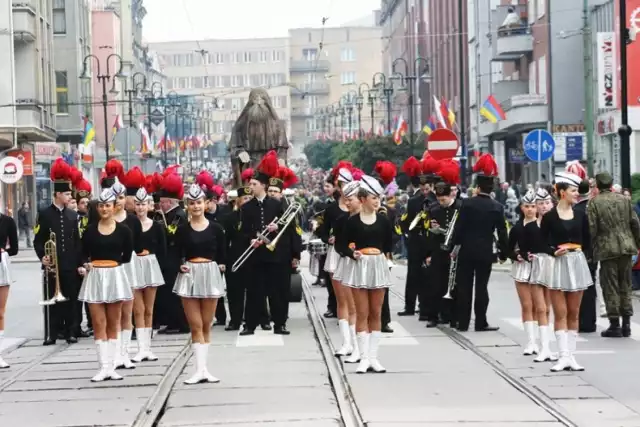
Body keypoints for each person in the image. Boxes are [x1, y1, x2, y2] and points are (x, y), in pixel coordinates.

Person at [338, 175, 393, 374]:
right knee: (362, 312)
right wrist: (353, 253)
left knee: (376, 313)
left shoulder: (384, 220)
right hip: (359, 267)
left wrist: (381, 258)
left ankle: (373, 357)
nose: (377, 200)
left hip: (377, 266)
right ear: (363, 199)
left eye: (378, 197)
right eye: (372, 197)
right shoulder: (352, 222)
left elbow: (389, 243)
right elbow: (341, 244)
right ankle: (363, 357)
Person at [78, 188, 134, 382]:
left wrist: (112, 265)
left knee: (114, 321)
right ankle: (103, 366)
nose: (104, 209)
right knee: (98, 322)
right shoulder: (90, 230)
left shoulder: (124, 231)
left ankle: (112, 365)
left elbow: (126, 256)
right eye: (101, 205)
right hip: (95, 276)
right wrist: (85, 263)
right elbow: (83, 252)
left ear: (114, 206)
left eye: (107, 205)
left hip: (115, 274)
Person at [173, 183, 226, 384]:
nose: (196, 206)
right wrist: (181, 265)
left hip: (210, 274)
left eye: (199, 203)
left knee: (206, 324)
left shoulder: (217, 229)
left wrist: (221, 265)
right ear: (187, 205)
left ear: (206, 204)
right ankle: (198, 369)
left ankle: (205, 369)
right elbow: (176, 254)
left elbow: (222, 253)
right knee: (195, 325)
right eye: (192, 203)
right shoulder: (182, 230)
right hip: (190, 276)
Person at [540, 171, 593, 372]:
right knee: (560, 312)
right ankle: (562, 356)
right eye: (573, 191)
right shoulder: (550, 217)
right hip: (558, 264)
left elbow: (587, 241)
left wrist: (580, 254)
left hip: (577, 262)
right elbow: (541, 242)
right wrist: (554, 251)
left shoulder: (581, 214)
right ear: (562, 192)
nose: (576, 194)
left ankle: (571, 356)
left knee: (574, 312)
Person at [452, 154, 508, 332]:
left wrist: (454, 245)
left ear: (477, 187)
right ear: (491, 188)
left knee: (464, 287)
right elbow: (502, 232)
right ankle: (481, 322)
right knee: (482, 287)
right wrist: (503, 252)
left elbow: (458, 228)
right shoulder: (497, 207)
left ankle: (462, 323)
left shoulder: (466, 204)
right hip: (485, 251)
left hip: (466, 251)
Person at [33, 158, 82, 345]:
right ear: (58, 194)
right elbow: (38, 241)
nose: (70, 197)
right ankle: (51, 334)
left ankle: (71, 331)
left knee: (70, 300)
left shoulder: (72, 215)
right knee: (52, 302)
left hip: (69, 265)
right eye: (67, 194)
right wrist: (42, 257)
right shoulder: (44, 214)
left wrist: (78, 263)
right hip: (52, 266)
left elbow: (77, 241)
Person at [237, 151, 285, 335]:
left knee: (276, 291)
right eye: (250, 183)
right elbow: (244, 231)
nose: (251, 186)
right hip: (255, 255)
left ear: (263, 185)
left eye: (254, 184)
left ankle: (279, 324)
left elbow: (284, 226)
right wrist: (250, 238)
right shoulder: (246, 207)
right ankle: (250, 324)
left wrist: (276, 228)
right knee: (254, 292)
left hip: (273, 255)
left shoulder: (276, 204)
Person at [588, 171, 640, 338]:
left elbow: (592, 228)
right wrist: (637, 244)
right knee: (625, 284)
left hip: (606, 249)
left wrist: (590, 249)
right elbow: (635, 223)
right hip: (626, 247)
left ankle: (614, 324)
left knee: (610, 285)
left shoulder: (594, 203)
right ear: (611, 184)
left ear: (597, 185)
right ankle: (627, 323)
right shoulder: (625, 200)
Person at [317, 161, 354, 349]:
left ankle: (358, 339)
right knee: (342, 300)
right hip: (337, 254)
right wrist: (328, 239)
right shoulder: (331, 209)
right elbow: (322, 232)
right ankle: (346, 341)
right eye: (342, 184)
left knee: (355, 299)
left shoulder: (358, 207)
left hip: (355, 255)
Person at [264, 165, 302, 335]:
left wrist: (296, 255)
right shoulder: (265, 207)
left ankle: (282, 322)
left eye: (275, 191)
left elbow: (296, 233)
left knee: (283, 290)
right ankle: (272, 317)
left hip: (285, 254)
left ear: (281, 192)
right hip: (268, 254)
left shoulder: (288, 208)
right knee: (271, 289)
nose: (272, 193)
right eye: (270, 190)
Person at [114, 167, 145, 370]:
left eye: (122, 197)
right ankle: (114, 352)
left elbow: (139, 245)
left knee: (127, 311)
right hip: (109, 267)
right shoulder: (102, 219)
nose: (118, 201)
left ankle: (124, 352)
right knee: (112, 312)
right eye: (115, 197)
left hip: (128, 265)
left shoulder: (133, 220)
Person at [424, 161, 461, 328]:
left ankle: (451, 315)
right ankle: (434, 315)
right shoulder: (434, 209)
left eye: (444, 199)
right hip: (438, 251)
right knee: (435, 285)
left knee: (453, 285)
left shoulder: (459, 208)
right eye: (439, 199)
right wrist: (429, 252)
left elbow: (460, 231)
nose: (441, 202)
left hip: (454, 251)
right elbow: (429, 233)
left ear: (451, 196)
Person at [131, 185, 166, 362]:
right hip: (134, 265)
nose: (140, 207)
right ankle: (140, 347)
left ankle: (148, 347)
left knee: (149, 309)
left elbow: (162, 250)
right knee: (138, 309)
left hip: (151, 265)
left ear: (149, 205)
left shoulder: (157, 226)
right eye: (137, 204)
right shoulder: (129, 225)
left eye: (143, 204)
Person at [154, 169, 189, 334]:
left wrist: (161, 226)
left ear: (169, 202)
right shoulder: (166, 214)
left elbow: (172, 235)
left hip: (174, 258)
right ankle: (172, 322)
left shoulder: (178, 215)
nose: (160, 205)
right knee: (167, 294)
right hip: (166, 259)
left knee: (175, 294)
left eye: (162, 202)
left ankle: (181, 323)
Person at [333, 179, 363, 363]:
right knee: (350, 306)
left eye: (351, 198)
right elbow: (339, 245)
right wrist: (352, 253)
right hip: (349, 263)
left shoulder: (373, 217)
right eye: (346, 198)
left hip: (369, 264)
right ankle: (351, 345)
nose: (347, 202)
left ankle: (363, 348)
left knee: (365, 309)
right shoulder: (341, 220)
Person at [527, 188, 557, 363]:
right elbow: (523, 246)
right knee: (540, 308)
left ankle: (551, 347)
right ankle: (544, 347)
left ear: (551, 204)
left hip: (553, 265)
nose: (544, 206)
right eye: (540, 204)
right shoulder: (530, 226)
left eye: (546, 203)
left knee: (550, 308)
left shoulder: (557, 223)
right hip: (537, 265)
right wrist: (525, 254)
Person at [507, 191, 538, 355]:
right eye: (527, 206)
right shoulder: (517, 228)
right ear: (522, 208)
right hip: (522, 268)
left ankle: (541, 341)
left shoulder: (542, 226)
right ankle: (530, 341)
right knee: (527, 305)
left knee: (541, 307)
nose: (530, 210)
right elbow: (508, 249)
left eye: (533, 206)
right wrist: (516, 255)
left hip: (539, 268)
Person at [397, 156, 428, 316]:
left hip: (416, 241)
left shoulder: (414, 201)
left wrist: (407, 234)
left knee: (413, 275)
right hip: (427, 241)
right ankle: (423, 307)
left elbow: (406, 222)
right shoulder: (431, 199)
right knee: (425, 275)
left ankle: (410, 307)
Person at [222, 182, 253, 331]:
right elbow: (224, 242)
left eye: (249, 198)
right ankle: (235, 320)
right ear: (238, 200)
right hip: (234, 257)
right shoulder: (228, 218)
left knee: (254, 291)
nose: (247, 201)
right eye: (244, 198)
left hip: (252, 258)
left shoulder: (256, 217)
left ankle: (254, 319)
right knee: (234, 292)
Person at [0, 200, 19, 368]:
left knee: (0, 311)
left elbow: (15, 249)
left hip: (1, 265)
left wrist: (4, 250)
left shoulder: (7, 221)